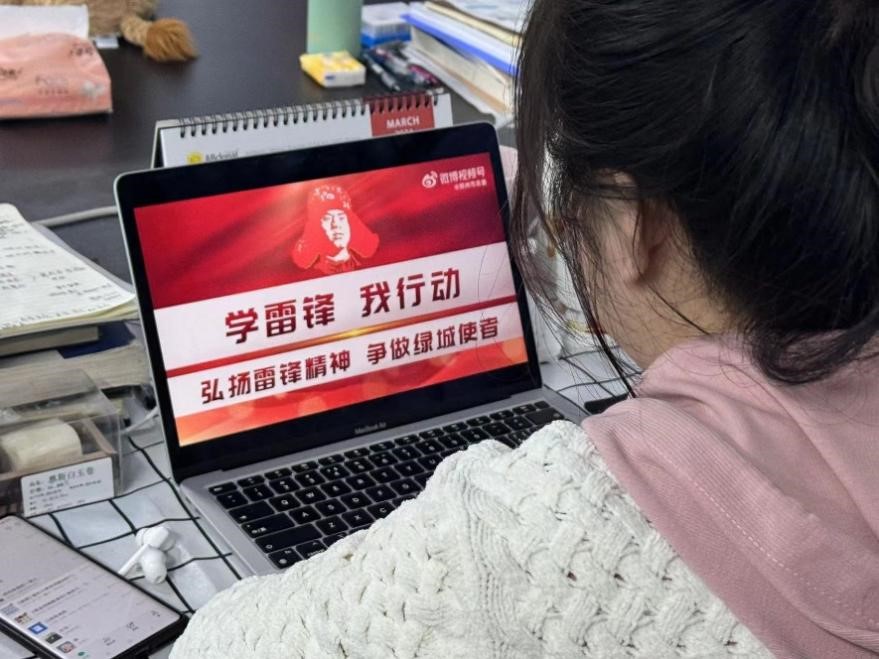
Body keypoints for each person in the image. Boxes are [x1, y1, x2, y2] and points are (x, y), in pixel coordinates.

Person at [171, 0, 879, 656]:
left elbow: (213, 647)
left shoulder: (521, 533)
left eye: (565, 193)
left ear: (635, 225)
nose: (560, 224)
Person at [292, 184, 379, 274]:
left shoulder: (372, 265)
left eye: (341, 218)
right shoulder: (311, 275)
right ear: (316, 227)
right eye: (327, 218)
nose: (336, 225)